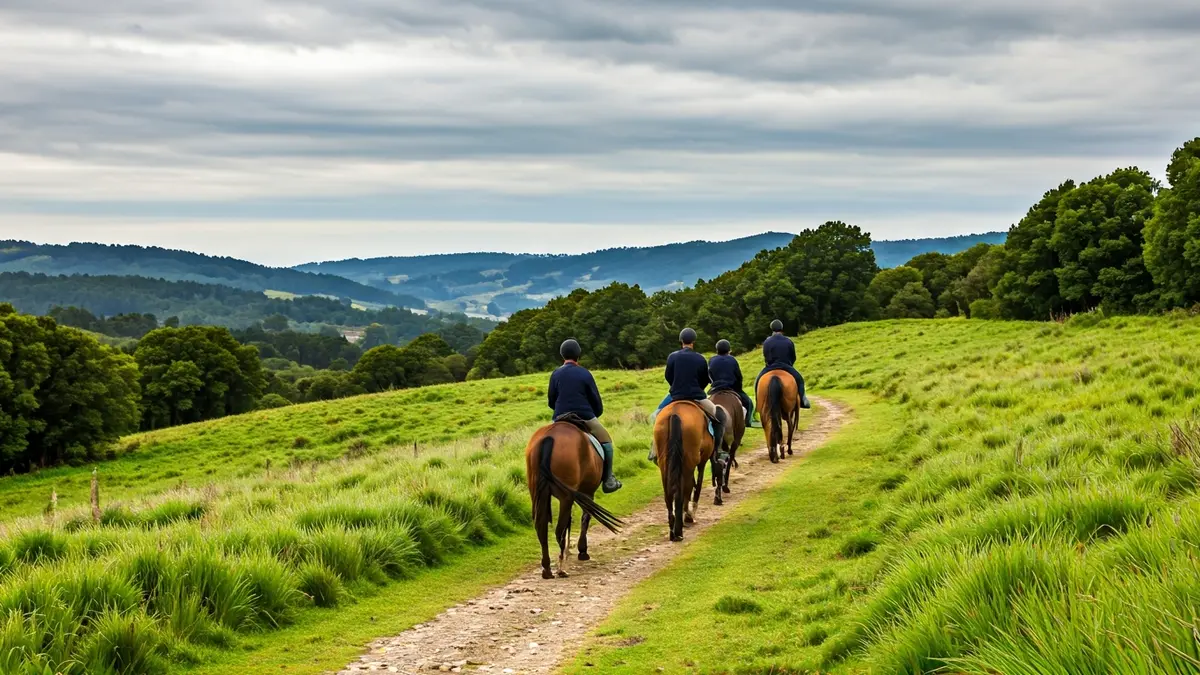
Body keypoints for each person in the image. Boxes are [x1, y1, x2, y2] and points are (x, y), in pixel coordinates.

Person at [548, 338, 621, 493]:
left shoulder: (555, 374)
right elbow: (596, 402)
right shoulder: (585, 373)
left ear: (562, 355)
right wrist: (595, 414)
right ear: (578, 355)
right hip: (584, 416)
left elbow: (551, 401)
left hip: (560, 417)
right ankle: (608, 480)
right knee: (607, 442)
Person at [649, 328, 726, 459]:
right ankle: (717, 450)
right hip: (696, 396)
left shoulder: (672, 357)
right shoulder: (700, 358)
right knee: (718, 416)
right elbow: (705, 380)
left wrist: (676, 387)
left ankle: (654, 450)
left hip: (675, 396)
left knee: (656, 416)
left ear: (681, 341)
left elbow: (668, 376)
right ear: (693, 341)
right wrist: (697, 389)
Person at [754, 319, 810, 412]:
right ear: (782, 328)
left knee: (757, 382)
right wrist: (789, 365)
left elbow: (766, 356)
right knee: (800, 380)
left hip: (770, 367)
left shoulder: (767, 342)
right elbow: (793, 356)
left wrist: (769, 364)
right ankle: (803, 400)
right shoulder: (788, 341)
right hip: (786, 366)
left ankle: (758, 403)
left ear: (772, 328)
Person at [708, 339, 757, 427]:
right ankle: (747, 422)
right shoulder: (732, 360)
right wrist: (739, 389)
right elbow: (738, 376)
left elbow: (710, 375)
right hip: (732, 388)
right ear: (729, 350)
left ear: (717, 350)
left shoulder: (712, 360)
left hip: (716, 389)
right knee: (749, 403)